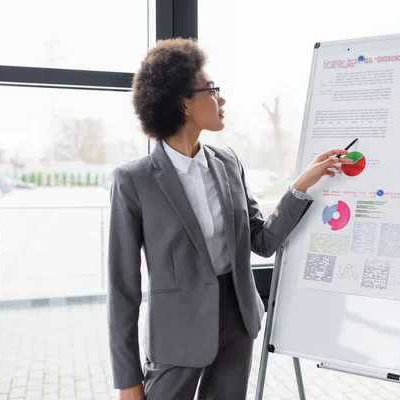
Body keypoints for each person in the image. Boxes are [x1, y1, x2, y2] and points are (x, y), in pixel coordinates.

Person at [107, 37, 352, 400]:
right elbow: (122, 289)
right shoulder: (134, 180)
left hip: (237, 322)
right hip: (176, 337)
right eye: (212, 90)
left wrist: (302, 185)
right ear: (183, 103)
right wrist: (128, 380)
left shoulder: (227, 163)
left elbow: (262, 241)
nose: (222, 99)